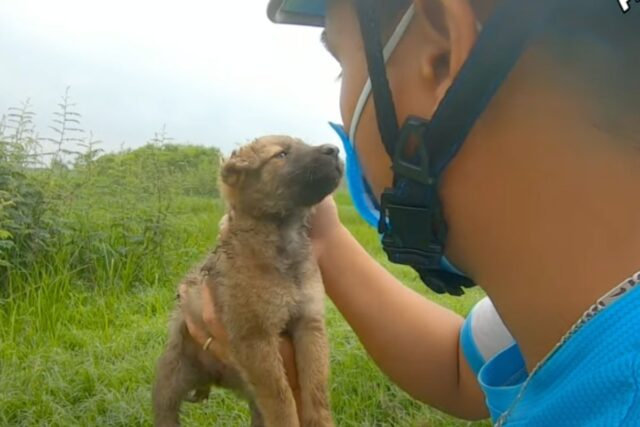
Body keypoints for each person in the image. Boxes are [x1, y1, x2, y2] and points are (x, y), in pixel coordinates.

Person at [180, 0, 640, 425]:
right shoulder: (569, 307)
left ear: (441, 53)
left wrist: (293, 402)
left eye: (343, 68)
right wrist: (325, 240)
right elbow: (458, 369)